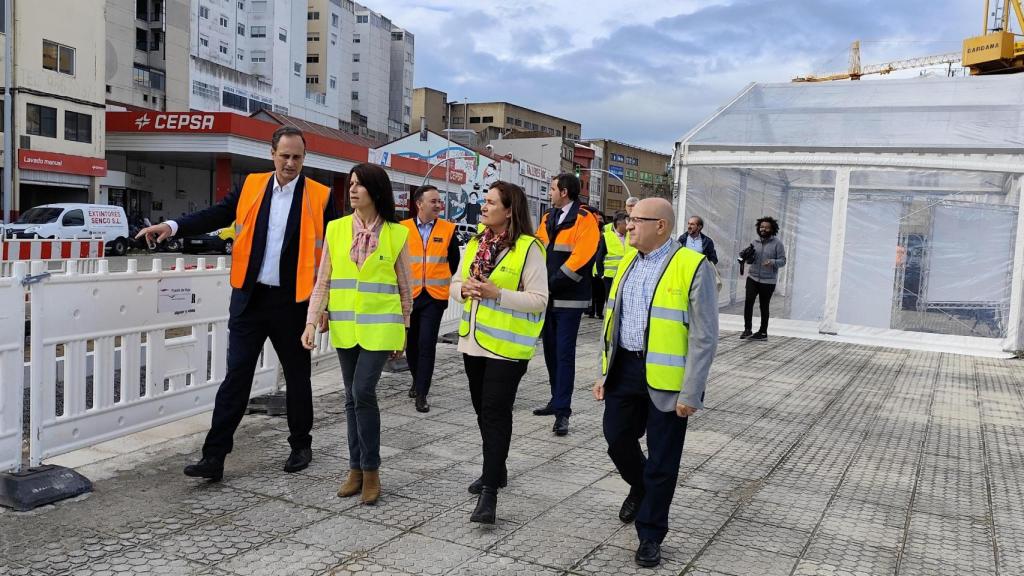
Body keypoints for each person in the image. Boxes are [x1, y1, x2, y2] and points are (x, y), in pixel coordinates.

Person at [135, 126, 337, 481]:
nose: (291, 163)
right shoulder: (251, 186)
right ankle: (214, 458)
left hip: (294, 303)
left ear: (304, 159)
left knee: (298, 377)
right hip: (250, 299)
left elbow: (334, 254)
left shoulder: (320, 196)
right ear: (272, 154)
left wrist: (325, 306)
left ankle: (300, 445)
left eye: (297, 158)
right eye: (285, 156)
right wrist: (172, 225)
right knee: (236, 378)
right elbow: (216, 214)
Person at [593, 198, 718, 568]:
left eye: (635, 220)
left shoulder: (693, 265)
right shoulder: (629, 261)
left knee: (663, 460)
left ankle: (650, 534)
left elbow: (704, 336)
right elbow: (611, 322)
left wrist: (691, 390)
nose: (627, 226)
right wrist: (604, 372)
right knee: (616, 438)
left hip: (668, 378)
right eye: (628, 219)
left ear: (660, 226)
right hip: (624, 370)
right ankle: (642, 485)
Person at [301, 163, 412, 505]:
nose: (352, 190)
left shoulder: (396, 234)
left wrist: (403, 333)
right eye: (350, 184)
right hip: (347, 327)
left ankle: (372, 469)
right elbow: (324, 280)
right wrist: (311, 319)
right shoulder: (336, 229)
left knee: (363, 390)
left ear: (376, 191)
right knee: (350, 396)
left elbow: (406, 288)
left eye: (360, 185)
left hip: (381, 329)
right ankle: (355, 470)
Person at [451, 180, 548, 524]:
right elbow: (454, 284)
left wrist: (497, 294)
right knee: (482, 411)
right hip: (473, 342)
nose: (484, 206)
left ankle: (490, 492)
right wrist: (463, 289)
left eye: (491, 202)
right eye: (485, 201)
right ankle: (497, 469)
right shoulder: (477, 242)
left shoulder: (528, 248)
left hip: (507, 349)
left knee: (494, 413)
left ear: (509, 210)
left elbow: (539, 300)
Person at [533, 174, 600, 436]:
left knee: (563, 354)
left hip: (568, 300)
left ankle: (563, 413)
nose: (549, 193)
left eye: (551, 189)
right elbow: (538, 250)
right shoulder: (548, 217)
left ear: (563, 192)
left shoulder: (585, 220)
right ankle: (555, 399)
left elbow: (581, 259)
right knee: (550, 352)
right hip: (547, 298)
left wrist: (552, 282)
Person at [400, 185, 460, 413]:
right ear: (419, 204)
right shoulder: (402, 228)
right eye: (433, 201)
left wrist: (438, 277)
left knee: (427, 343)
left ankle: (422, 393)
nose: (438, 205)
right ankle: (417, 380)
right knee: (413, 344)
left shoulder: (448, 229)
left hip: (434, 298)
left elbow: (453, 262)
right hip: (410, 296)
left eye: (439, 201)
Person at [741, 216, 786, 340]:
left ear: (772, 229)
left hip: (768, 281)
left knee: (763, 306)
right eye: (761, 227)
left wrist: (772, 262)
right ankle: (747, 329)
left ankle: (763, 332)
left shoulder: (777, 244)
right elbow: (750, 260)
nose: (763, 229)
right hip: (752, 277)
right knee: (748, 302)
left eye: (766, 227)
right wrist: (746, 257)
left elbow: (783, 261)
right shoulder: (754, 242)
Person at [596, 212, 630, 312]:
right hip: (610, 277)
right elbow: (599, 257)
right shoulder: (607, 237)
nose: (628, 226)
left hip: (627, 275)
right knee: (611, 302)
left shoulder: (631, 236)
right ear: (619, 224)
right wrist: (601, 274)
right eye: (626, 223)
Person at [587, 210, 607, 319]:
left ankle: (599, 312)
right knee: (592, 291)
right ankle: (590, 310)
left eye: (601, 219)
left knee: (600, 291)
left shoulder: (606, 234)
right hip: (589, 265)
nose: (599, 222)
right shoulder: (589, 230)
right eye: (597, 220)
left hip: (600, 266)